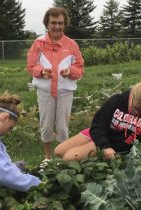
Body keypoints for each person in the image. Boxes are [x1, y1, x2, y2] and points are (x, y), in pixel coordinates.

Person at [54, 79, 141, 161]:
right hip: (100, 134)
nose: (138, 113)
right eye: (135, 108)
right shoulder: (116, 101)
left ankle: (88, 166)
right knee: (58, 151)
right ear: (131, 96)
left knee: (68, 158)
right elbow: (98, 125)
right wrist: (105, 146)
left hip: (114, 143)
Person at [27, 7, 84, 162]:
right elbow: (31, 66)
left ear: (64, 24)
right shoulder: (38, 44)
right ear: (47, 23)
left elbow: (80, 68)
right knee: (45, 125)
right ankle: (47, 157)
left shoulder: (72, 45)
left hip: (65, 92)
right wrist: (41, 72)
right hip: (45, 92)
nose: (57, 26)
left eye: (60, 23)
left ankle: (62, 156)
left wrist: (70, 71)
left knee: (62, 127)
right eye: (53, 23)